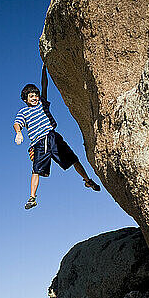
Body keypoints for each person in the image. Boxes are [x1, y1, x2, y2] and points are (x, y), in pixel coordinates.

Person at [13, 63, 101, 210]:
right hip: (39, 142)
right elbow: (17, 123)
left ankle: (87, 180)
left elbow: (44, 85)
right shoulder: (24, 112)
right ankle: (32, 197)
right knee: (36, 170)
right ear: (25, 99)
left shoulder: (43, 104)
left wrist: (44, 69)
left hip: (53, 137)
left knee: (73, 160)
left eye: (36, 95)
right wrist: (18, 133)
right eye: (31, 96)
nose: (34, 98)